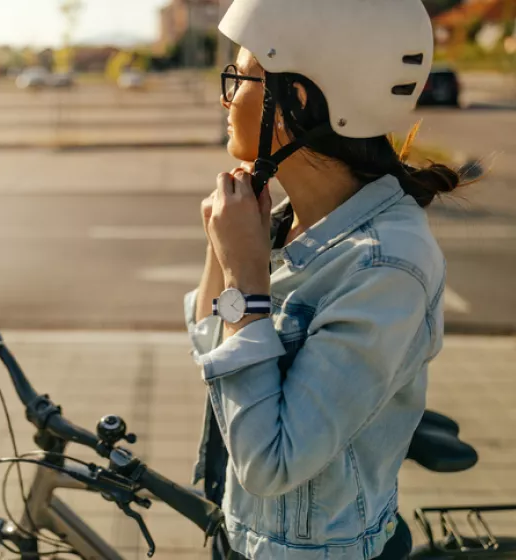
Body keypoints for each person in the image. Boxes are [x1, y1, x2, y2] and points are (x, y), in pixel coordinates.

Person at [184, 0, 467, 558]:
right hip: (242, 535)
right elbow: (207, 340)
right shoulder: (289, 218)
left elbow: (271, 464)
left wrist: (245, 277)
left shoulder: (385, 265)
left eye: (241, 77)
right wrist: (227, 248)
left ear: (299, 100)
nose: (226, 95)